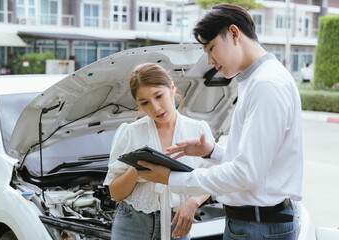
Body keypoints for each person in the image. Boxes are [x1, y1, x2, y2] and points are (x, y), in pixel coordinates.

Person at [137, 4, 303, 240]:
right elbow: (260, 165)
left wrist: (172, 178)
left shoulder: (266, 84)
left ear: (234, 33)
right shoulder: (258, 79)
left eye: (211, 48)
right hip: (255, 223)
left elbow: (246, 173)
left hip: (258, 227)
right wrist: (212, 152)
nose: (209, 60)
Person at [103, 63, 214, 240]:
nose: (155, 108)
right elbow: (116, 194)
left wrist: (193, 202)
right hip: (132, 224)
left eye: (159, 96)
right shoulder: (130, 132)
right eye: (144, 103)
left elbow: (213, 177)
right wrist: (136, 168)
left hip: (177, 224)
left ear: (171, 87)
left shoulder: (198, 130)